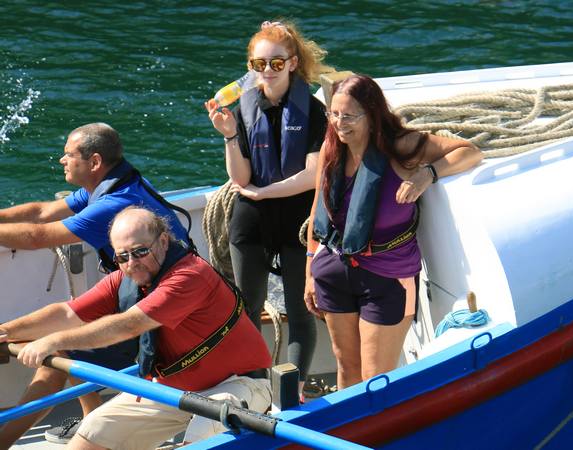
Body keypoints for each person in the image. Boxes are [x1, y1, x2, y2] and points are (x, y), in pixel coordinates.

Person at [1, 207, 272, 450]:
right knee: (95, 430)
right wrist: (6, 332)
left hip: (239, 383)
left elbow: (130, 324)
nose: (132, 262)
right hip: (169, 389)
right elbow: (66, 313)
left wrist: (50, 341)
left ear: (163, 241)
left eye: (141, 251)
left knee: (205, 429)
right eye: (122, 256)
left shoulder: (189, 276)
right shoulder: (125, 277)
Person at [0, 122, 191, 446]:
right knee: (67, 342)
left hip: (166, 305)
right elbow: (42, 212)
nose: (62, 160)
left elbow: (38, 236)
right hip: (142, 289)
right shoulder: (113, 184)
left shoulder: (113, 204)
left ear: (95, 162)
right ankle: (88, 417)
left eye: (69, 154)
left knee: (63, 347)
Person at [303, 74, 483, 389]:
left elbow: (470, 152)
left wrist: (427, 175)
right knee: (347, 367)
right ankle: (351, 433)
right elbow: (316, 213)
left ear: (372, 115)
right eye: (334, 114)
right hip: (332, 272)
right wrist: (309, 274)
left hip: (389, 278)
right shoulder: (332, 150)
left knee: (376, 378)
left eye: (349, 116)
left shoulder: (403, 146)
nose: (340, 123)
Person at [205, 19, 329, 398]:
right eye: (260, 64)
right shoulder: (242, 109)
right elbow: (241, 179)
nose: (268, 71)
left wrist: (266, 193)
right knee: (247, 309)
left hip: (298, 219)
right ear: (250, 67)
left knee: (300, 307)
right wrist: (228, 135)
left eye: (277, 63)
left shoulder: (315, 111)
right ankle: (256, 388)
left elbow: (312, 176)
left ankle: (295, 390)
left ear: (293, 63)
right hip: (252, 219)